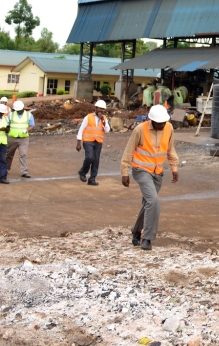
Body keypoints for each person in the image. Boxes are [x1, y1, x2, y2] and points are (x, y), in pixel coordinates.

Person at [122, 105, 179, 251]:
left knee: (149, 204)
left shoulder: (169, 128)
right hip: (141, 171)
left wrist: (174, 167)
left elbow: (170, 149)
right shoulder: (140, 129)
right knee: (153, 201)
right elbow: (129, 151)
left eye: (164, 122)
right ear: (151, 120)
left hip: (157, 172)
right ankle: (146, 238)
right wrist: (124, 172)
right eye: (159, 123)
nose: (162, 125)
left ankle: (136, 230)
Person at [77, 99, 110, 186]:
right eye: (99, 108)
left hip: (98, 142)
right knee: (90, 157)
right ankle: (82, 172)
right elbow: (81, 129)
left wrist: (103, 121)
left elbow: (107, 130)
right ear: (96, 108)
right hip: (88, 141)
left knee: (96, 161)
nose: (101, 110)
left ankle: (92, 179)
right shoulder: (88, 117)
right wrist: (78, 142)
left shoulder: (104, 118)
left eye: (103, 109)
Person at [5, 101, 34, 179]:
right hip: (12, 137)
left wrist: (27, 130)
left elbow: (32, 125)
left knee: (23, 154)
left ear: (23, 108)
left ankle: (24, 171)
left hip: (24, 138)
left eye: (20, 110)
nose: (18, 111)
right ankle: (6, 169)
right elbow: (7, 125)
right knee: (9, 154)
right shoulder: (10, 115)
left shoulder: (29, 115)